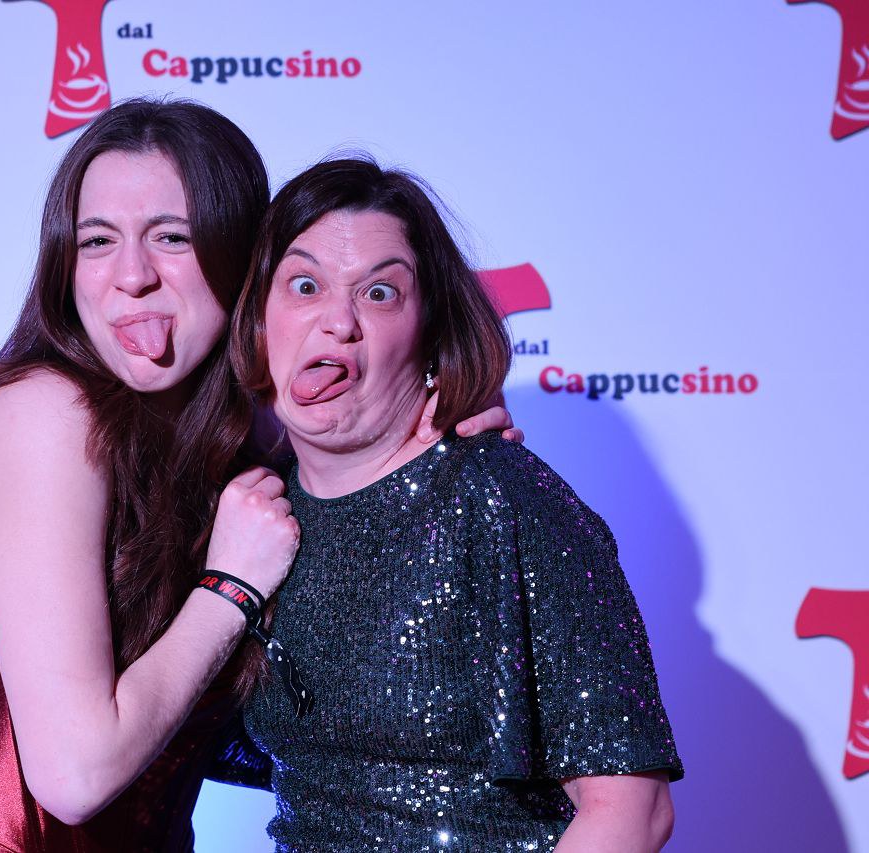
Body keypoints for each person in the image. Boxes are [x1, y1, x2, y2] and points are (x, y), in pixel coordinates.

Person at [0, 99, 518, 852]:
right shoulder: (45, 415)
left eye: (172, 237)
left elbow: (300, 744)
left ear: (242, 260)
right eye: (97, 240)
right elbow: (74, 776)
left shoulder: (252, 450)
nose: (132, 276)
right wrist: (229, 591)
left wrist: (445, 428)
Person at [230, 158, 683, 851]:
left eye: (380, 293)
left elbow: (631, 811)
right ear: (260, 320)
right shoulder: (255, 516)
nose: (338, 322)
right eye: (305, 285)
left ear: (431, 337)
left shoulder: (500, 500)